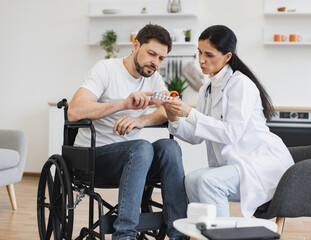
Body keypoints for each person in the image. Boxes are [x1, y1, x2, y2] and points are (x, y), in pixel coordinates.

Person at [68, 24, 188, 240]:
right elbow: (74, 111)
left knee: (169, 146)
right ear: (135, 46)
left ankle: (179, 235)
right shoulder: (105, 69)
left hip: (134, 161)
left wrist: (141, 120)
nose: (155, 62)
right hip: (94, 159)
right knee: (141, 147)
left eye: (161, 58)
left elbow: (167, 109)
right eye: (151, 54)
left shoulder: (153, 77)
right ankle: (124, 236)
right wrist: (124, 104)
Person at [162, 25, 294, 218]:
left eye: (209, 54)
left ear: (227, 56)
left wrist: (190, 112)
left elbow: (231, 133)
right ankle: (203, 233)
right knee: (191, 180)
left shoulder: (241, 84)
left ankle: (221, 234)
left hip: (261, 163)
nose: (201, 60)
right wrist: (174, 117)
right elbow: (196, 136)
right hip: (235, 166)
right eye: (199, 52)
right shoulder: (206, 88)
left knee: (209, 181)